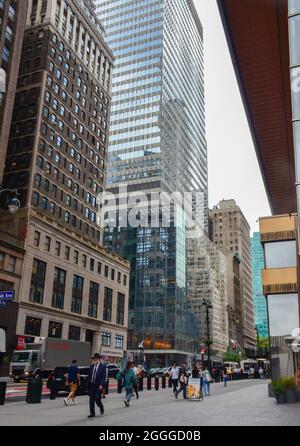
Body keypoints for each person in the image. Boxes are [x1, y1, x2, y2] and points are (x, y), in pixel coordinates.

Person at [87, 353, 106, 418]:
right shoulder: (91, 367)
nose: (95, 360)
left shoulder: (102, 367)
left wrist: (101, 384)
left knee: (97, 398)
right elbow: (90, 376)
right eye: (94, 359)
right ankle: (92, 413)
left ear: (99, 359)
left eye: (96, 359)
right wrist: (88, 384)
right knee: (91, 399)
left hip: (98, 386)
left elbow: (103, 377)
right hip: (92, 385)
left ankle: (101, 406)